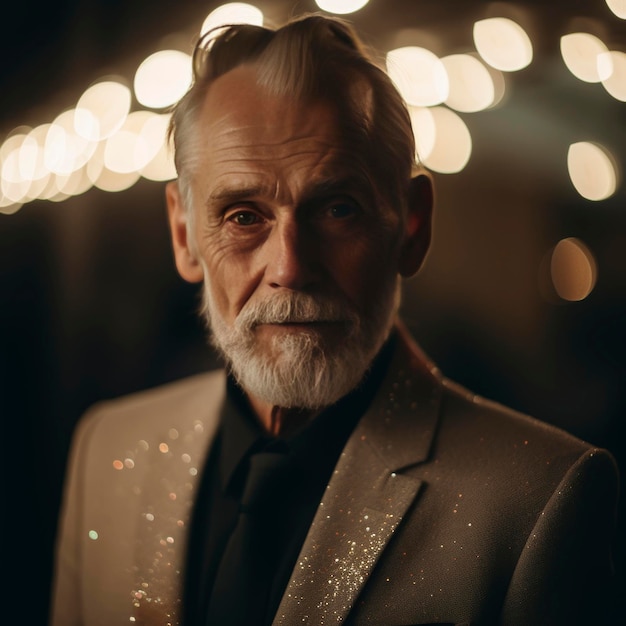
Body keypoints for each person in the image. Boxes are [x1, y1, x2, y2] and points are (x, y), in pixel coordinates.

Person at [50, 14, 620, 626]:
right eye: (244, 216)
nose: (290, 267)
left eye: (338, 209)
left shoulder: (539, 499)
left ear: (412, 226)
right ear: (185, 235)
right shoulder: (105, 448)